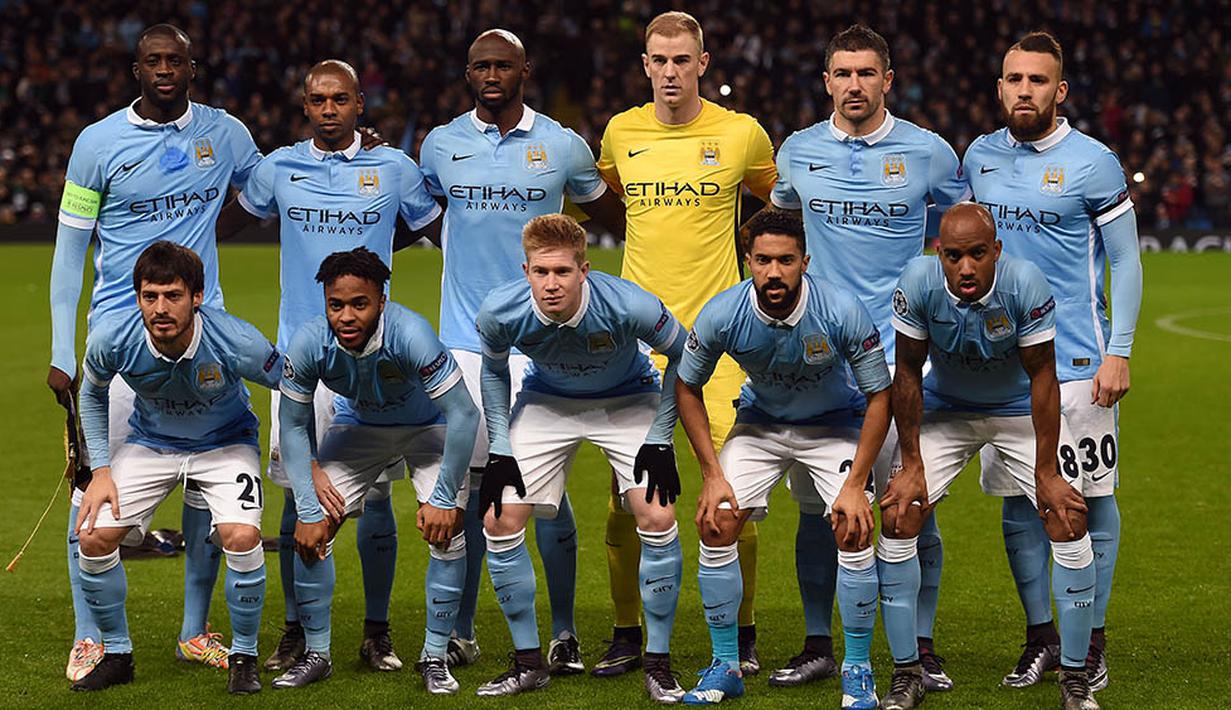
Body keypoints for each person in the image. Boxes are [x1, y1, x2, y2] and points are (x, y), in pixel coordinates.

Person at [50, 23, 261, 679]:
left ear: (192, 68)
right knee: (94, 490)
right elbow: (67, 256)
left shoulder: (226, 133)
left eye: (175, 60)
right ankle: (91, 635)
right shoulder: (97, 144)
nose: (164, 69)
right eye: (152, 60)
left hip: (208, 337)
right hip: (120, 339)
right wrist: (64, 349)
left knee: (208, 488)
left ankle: (195, 632)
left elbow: (264, 189)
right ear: (136, 69)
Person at [217, 59, 442, 673]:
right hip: (302, 360)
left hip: (377, 360)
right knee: (296, 499)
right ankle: (297, 629)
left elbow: (439, 228)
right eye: (318, 100)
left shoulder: (394, 168)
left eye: (340, 99)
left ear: (359, 104)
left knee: (375, 501)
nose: (328, 109)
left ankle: (377, 630)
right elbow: (220, 224)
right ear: (305, 105)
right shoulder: (277, 169)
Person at [768, 24, 971, 689]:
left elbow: (964, 234)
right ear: (825, 81)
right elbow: (782, 228)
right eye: (840, 74)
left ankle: (921, 645)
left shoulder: (929, 153)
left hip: (903, 358)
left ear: (887, 80)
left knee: (909, 504)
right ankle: (818, 642)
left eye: (865, 73)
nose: (852, 85)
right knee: (815, 510)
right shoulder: (797, 151)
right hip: (820, 359)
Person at [417, 28, 625, 674]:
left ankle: (561, 634)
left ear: (523, 72)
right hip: (468, 345)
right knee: (479, 494)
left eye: (501, 65)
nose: (490, 75)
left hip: (544, 346)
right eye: (479, 65)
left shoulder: (562, 146)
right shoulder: (439, 145)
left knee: (545, 498)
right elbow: (414, 214)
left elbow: (614, 218)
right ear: (467, 73)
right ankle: (461, 630)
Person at [596, 10, 777, 675]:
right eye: (658, 60)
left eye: (681, 60)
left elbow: (775, 204)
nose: (669, 71)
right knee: (629, 500)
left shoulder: (740, 135)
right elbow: (611, 197)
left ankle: (745, 633)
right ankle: (625, 632)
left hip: (722, 346)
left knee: (732, 491)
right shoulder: (621, 132)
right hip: (637, 349)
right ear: (643, 64)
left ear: (703, 64)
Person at [965, 31, 1141, 693]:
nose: (1023, 90)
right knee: (1017, 503)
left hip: (1074, 365)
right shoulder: (979, 157)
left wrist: (1116, 351)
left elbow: (1123, 260)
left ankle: (1089, 641)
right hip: (1003, 366)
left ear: (1058, 90)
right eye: (1013, 79)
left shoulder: (1093, 163)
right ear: (999, 85)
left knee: (1089, 501)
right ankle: (1041, 635)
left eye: (1037, 80)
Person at [674, 208, 892, 707]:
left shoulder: (840, 310)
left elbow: (880, 394)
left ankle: (857, 670)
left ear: (804, 261)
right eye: (764, 260)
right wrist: (711, 474)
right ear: (747, 261)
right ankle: (726, 665)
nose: (775, 272)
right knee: (716, 521)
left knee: (853, 524)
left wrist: (857, 483)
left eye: (786, 261)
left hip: (835, 423)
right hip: (761, 425)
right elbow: (686, 386)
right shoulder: (723, 313)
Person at [886, 203, 1098, 710]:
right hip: (945, 409)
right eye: (954, 256)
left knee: (1067, 516)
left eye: (977, 255)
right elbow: (908, 373)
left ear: (996, 251)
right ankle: (907, 671)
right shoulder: (917, 282)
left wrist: (1046, 472)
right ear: (938, 253)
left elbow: (1044, 377)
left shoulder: (1025, 284)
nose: (965, 268)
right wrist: (911, 465)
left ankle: (1074, 676)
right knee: (898, 514)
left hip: (1016, 411)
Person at [473, 214, 688, 701]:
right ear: (525, 270)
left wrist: (659, 435)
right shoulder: (500, 311)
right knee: (499, 518)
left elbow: (683, 357)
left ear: (584, 269)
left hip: (629, 398)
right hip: (547, 400)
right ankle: (528, 662)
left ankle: (658, 662)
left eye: (563, 273)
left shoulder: (629, 304)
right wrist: (501, 447)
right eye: (541, 272)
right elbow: (493, 373)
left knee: (656, 514)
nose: (551, 285)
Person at [72, 241, 282, 694]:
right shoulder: (113, 339)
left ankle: (244, 657)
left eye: (173, 295)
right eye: (150, 296)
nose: (160, 308)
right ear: (138, 298)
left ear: (197, 297)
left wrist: (307, 457)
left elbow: (291, 381)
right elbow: (91, 394)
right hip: (151, 444)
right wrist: (102, 470)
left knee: (242, 538)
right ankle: (117, 653)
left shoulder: (236, 340)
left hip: (226, 444)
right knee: (91, 537)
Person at [274, 247, 479, 692]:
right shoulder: (309, 342)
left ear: (381, 300)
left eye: (359, 304)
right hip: (359, 427)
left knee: (448, 529)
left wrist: (443, 498)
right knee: (312, 529)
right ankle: (318, 653)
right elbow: (291, 423)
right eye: (336, 304)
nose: (346, 316)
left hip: (428, 428)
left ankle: (435, 656)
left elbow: (463, 414)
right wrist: (308, 504)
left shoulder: (412, 335)